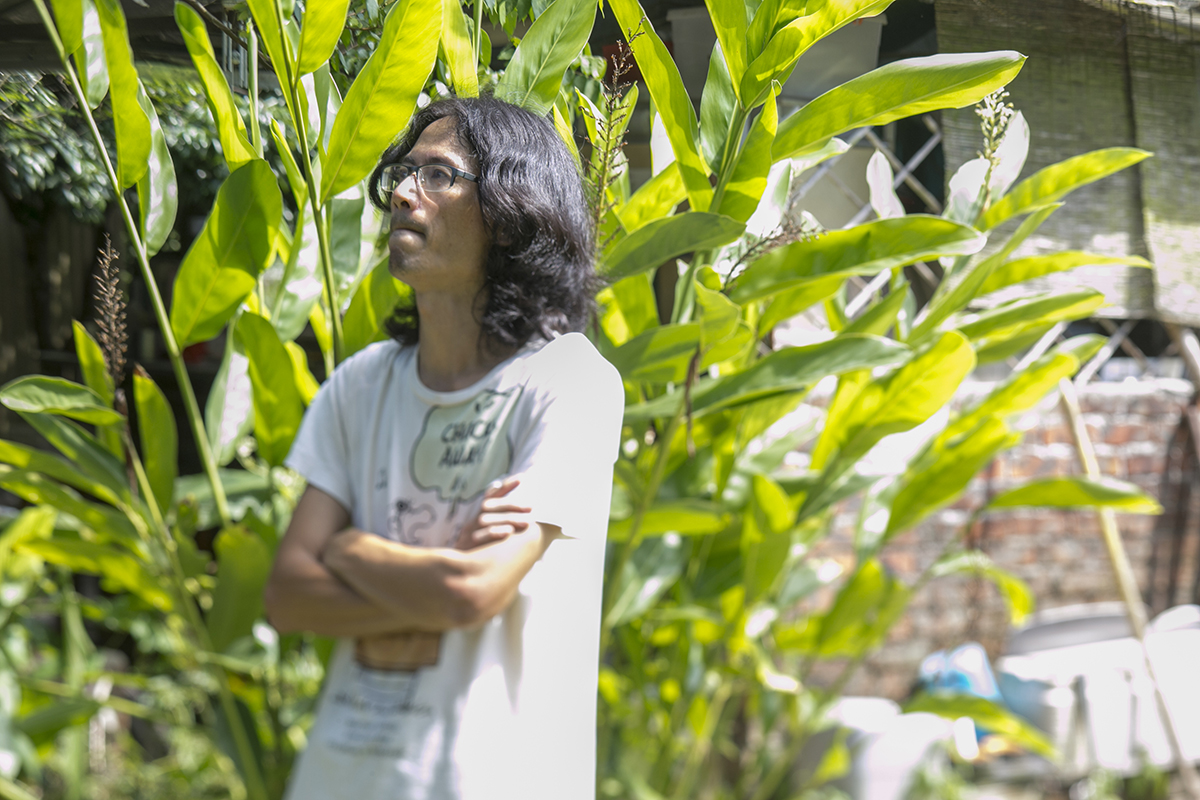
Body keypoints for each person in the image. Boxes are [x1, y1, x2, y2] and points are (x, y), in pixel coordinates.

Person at [264, 96, 624, 800]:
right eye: (404, 172)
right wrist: (436, 584)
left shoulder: (568, 382)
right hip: (341, 780)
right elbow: (287, 597)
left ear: (509, 213)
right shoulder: (361, 386)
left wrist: (348, 552)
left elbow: (470, 590)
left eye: (439, 175)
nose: (401, 192)